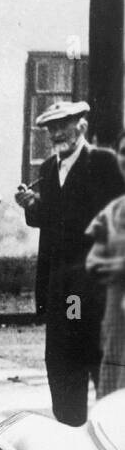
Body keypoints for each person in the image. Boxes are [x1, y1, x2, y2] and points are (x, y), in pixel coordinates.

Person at [16, 100, 125, 425]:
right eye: (51, 127)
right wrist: (31, 207)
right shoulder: (50, 168)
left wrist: (44, 207)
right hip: (60, 288)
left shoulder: (103, 163)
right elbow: (49, 224)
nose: (56, 133)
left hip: (96, 289)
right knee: (62, 370)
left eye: (63, 125)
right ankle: (70, 440)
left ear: (82, 126)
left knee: (105, 373)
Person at [85, 130, 125, 397]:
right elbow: (93, 260)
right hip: (117, 317)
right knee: (113, 387)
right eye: (123, 152)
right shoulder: (115, 210)